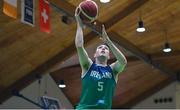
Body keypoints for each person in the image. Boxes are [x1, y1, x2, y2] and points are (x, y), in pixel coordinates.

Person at [75, 8, 127, 109]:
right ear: (95, 54)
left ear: (109, 56)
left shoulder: (113, 70)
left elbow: (123, 62)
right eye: (100, 47)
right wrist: (79, 25)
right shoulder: (88, 66)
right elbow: (79, 46)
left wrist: (108, 41)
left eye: (106, 49)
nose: (103, 48)